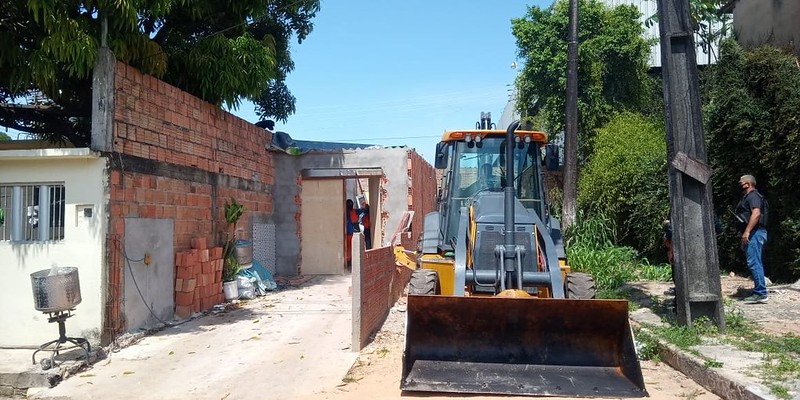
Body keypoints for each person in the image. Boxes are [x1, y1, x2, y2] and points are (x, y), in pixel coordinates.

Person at [734, 174, 769, 303]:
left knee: (754, 262)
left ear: (748, 184)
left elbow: (756, 213)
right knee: (754, 261)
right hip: (754, 233)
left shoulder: (753, 195)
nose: (739, 184)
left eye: (740, 182)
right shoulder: (748, 197)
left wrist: (747, 231)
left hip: (755, 233)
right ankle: (759, 291)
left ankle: (761, 293)